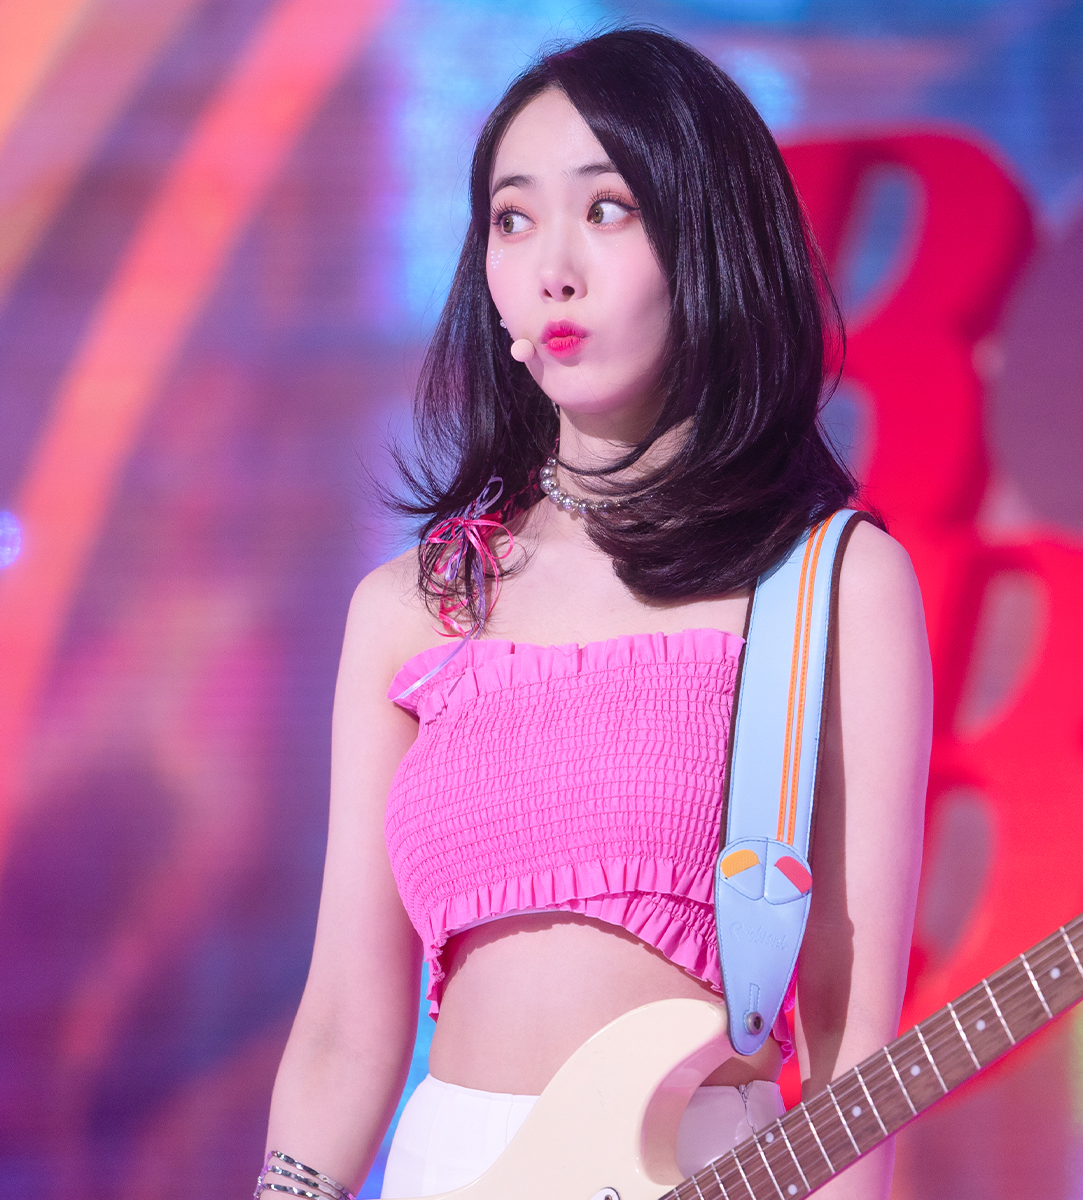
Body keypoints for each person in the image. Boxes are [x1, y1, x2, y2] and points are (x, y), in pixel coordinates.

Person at [260, 27, 930, 1200]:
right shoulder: (417, 606)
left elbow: (849, 1037)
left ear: (708, 239)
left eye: (607, 209)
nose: (551, 267)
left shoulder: (832, 586)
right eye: (513, 220)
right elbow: (343, 1026)